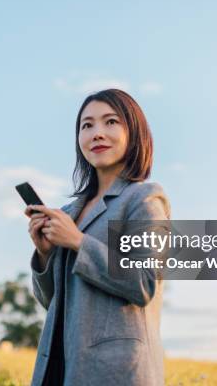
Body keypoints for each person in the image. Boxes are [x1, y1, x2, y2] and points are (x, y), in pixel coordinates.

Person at [25, 89, 171, 386]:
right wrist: (44, 255)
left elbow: (144, 283)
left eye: (111, 122)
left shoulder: (142, 199)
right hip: (61, 367)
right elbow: (54, 303)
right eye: (87, 125)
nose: (97, 133)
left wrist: (78, 242)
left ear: (135, 132)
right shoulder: (71, 211)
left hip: (116, 371)